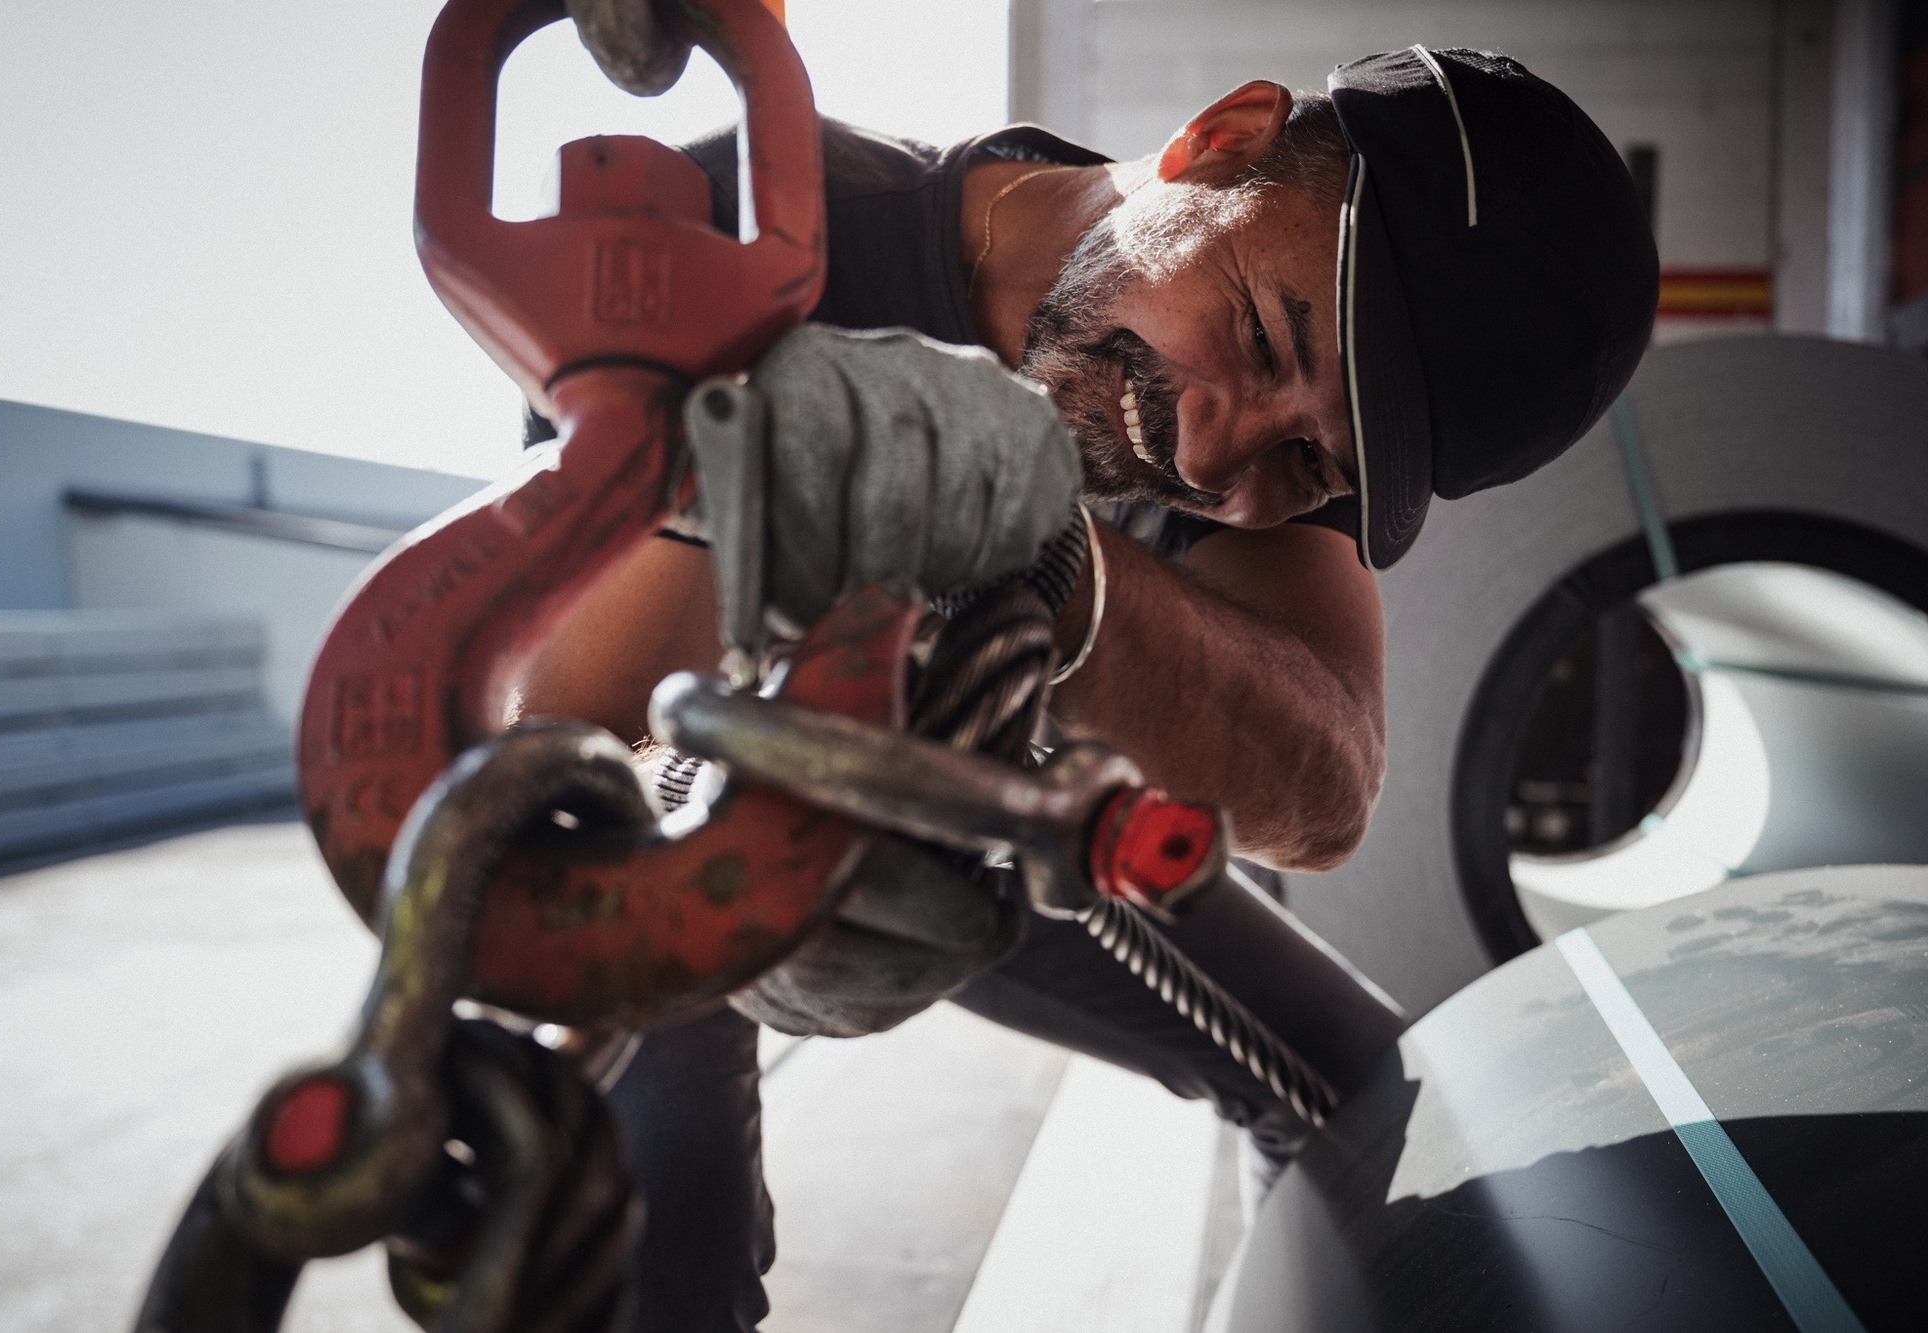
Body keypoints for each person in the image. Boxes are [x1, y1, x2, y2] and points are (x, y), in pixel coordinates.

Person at [520, 11, 1660, 1329]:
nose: (1214, 455)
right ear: (1219, 142)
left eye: (1311, 462)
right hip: (690, 780)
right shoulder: (767, 223)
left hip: (1009, 828)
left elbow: (1324, 788)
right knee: (667, 1240)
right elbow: (565, 723)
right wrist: (730, 833)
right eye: (1258, 335)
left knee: (1363, 1087)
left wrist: (1052, 567)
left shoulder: (1280, 458)